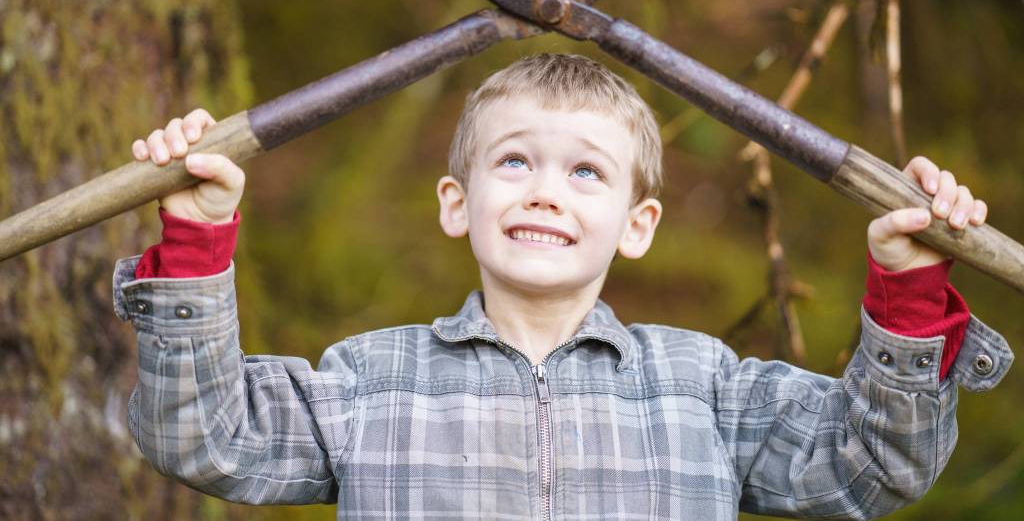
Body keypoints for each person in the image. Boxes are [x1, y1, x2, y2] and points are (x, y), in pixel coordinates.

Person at [114, 53, 1012, 519]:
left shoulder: (706, 388)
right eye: (515, 161)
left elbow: (873, 467)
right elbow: (205, 437)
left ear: (638, 223)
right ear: (456, 202)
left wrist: (908, 288)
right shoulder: (369, 383)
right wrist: (196, 234)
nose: (545, 190)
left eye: (587, 171)